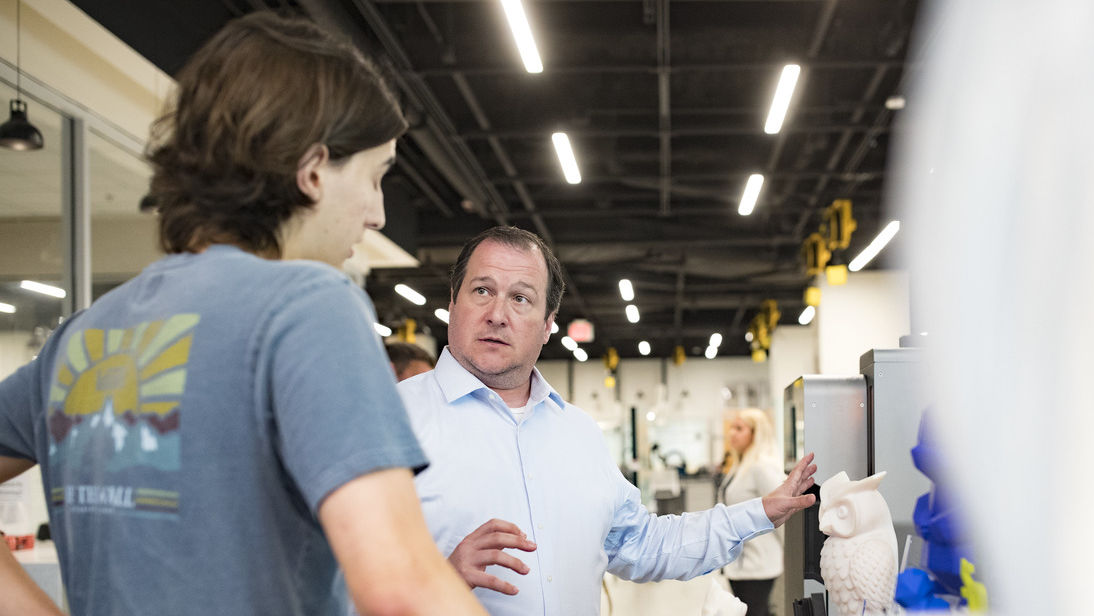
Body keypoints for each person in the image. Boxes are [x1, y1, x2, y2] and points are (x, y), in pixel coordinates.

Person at [0, 13, 486, 616]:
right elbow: (402, 589)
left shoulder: (83, 336)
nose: (378, 214)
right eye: (375, 175)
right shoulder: (308, 308)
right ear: (313, 172)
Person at [398, 225, 817, 615]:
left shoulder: (576, 432)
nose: (497, 314)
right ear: (452, 303)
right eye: (482, 290)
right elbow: (336, 580)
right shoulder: (393, 419)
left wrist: (760, 512)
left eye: (521, 298)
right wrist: (436, 580)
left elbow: (643, 543)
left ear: (547, 326)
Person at [719, 409, 787, 616]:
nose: (732, 433)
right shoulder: (740, 467)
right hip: (741, 564)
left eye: (740, 428)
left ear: (756, 434)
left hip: (759, 564)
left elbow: (783, 513)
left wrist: (791, 556)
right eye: (732, 427)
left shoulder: (761, 468)